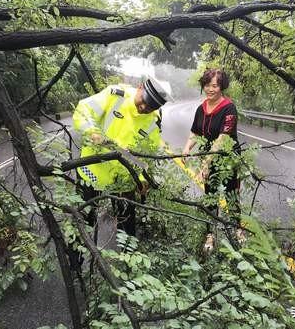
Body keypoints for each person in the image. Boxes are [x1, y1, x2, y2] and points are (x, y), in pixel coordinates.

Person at [73, 77, 169, 237]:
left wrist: (141, 178)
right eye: (144, 100)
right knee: (84, 222)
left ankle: (127, 256)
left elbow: (145, 156)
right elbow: (83, 110)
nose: (144, 107)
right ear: (140, 88)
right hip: (91, 171)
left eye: (151, 107)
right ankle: (79, 258)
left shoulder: (153, 122)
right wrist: (92, 132)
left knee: (127, 223)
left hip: (123, 180)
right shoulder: (115, 96)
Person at [182, 68, 242, 252]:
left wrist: (206, 164)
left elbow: (221, 140)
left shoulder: (229, 108)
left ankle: (239, 230)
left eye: (214, 86)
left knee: (231, 196)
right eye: (207, 85)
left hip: (227, 159)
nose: (210, 89)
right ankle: (210, 235)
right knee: (210, 197)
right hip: (207, 156)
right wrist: (186, 148)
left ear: (221, 87)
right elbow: (195, 132)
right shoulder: (201, 108)